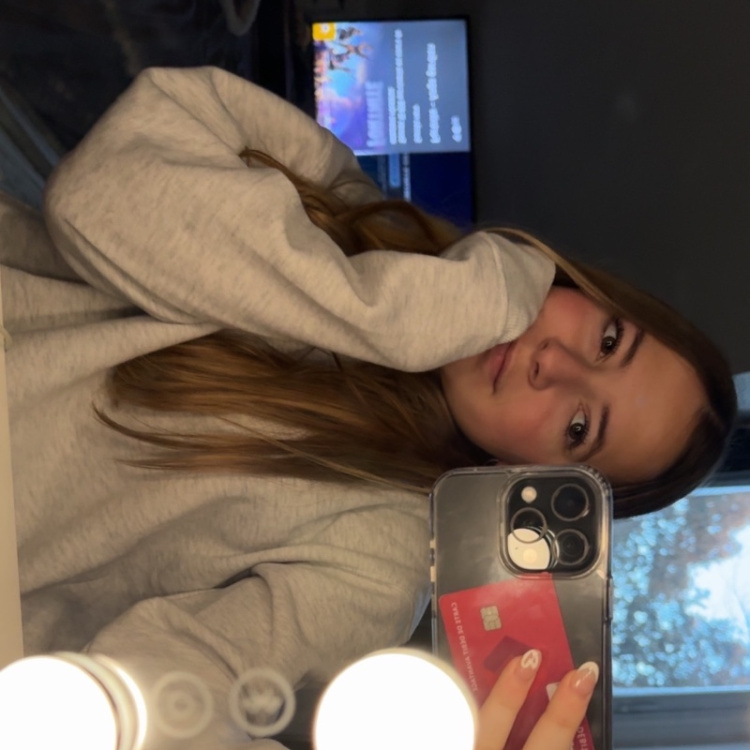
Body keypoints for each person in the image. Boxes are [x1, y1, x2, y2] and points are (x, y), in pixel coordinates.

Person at [0, 66, 735, 748]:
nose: (555, 365)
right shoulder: (347, 204)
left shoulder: (377, 563)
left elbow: (166, 689)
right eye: (608, 339)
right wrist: (427, 308)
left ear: (534, 475)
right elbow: (98, 195)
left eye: (578, 427)